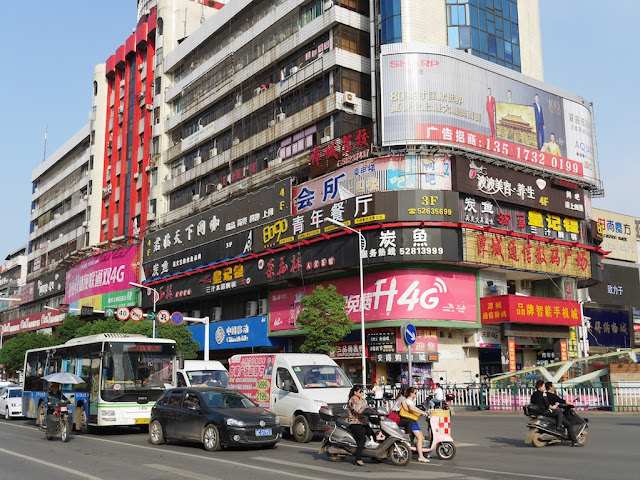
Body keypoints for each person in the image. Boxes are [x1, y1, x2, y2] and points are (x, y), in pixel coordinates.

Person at [530, 380, 581, 447]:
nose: (544, 387)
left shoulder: (534, 394)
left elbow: (533, 402)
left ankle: (555, 437)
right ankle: (574, 441)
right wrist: (554, 407)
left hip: (540, 412)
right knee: (569, 425)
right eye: (543, 386)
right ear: (550, 387)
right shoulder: (547, 395)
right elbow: (551, 404)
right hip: (547, 412)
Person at [347, 385, 377, 466]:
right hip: (355, 423)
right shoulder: (352, 400)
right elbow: (357, 410)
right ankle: (358, 458)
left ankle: (374, 456)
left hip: (364, 422)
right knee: (362, 439)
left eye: (362, 392)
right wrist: (366, 411)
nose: (362, 393)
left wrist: (374, 410)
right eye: (360, 392)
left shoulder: (363, 400)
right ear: (355, 392)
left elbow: (367, 407)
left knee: (373, 436)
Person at [399, 387, 430, 463]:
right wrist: (422, 413)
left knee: (420, 437)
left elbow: (415, 408)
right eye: (415, 393)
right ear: (411, 394)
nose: (416, 394)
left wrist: (423, 412)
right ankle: (421, 456)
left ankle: (422, 453)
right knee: (420, 437)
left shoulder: (411, 401)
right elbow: (412, 409)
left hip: (413, 421)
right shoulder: (408, 400)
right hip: (411, 421)